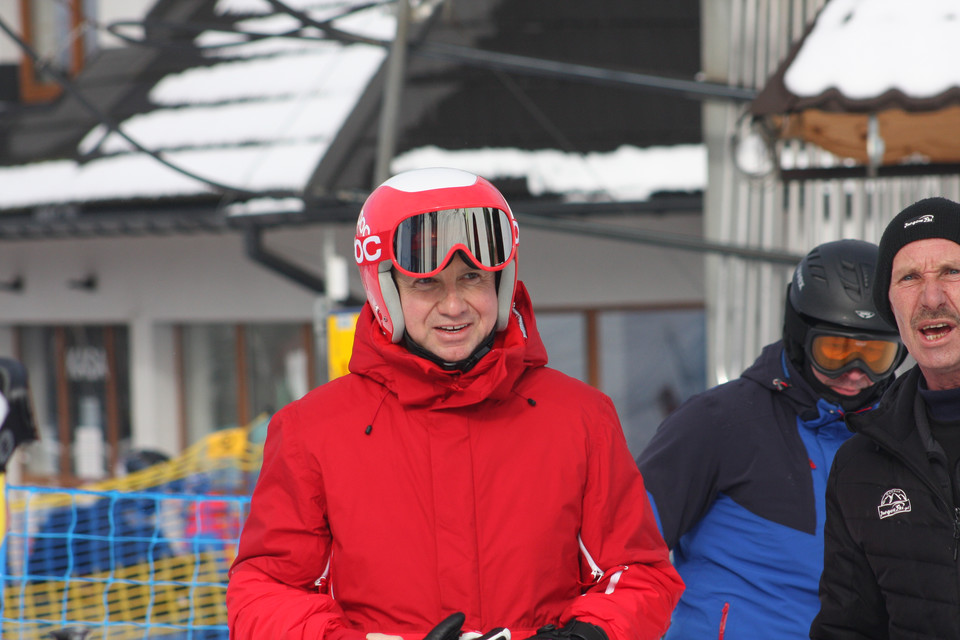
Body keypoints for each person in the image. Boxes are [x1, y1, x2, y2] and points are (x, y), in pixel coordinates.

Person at [227, 167, 684, 640]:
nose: (454, 306)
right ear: (385, 292)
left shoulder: (580, 418)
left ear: (502, 285)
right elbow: (263, 593)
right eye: (427, 284)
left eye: (472, 278)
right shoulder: (312, 431)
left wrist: (586, 637)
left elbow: (640, 574)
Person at [636, 239, 905, 639]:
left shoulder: (903, 437)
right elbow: (625, 550)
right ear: (799, 335)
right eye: (834, 351)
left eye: (877, 355)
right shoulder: (719, 423)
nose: (855, 370)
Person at [811, 197, 960, 639]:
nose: (932, 298)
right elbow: (847, 628)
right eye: (910, 278)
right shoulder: (861, 464)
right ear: (891, 308)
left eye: (952, 272)